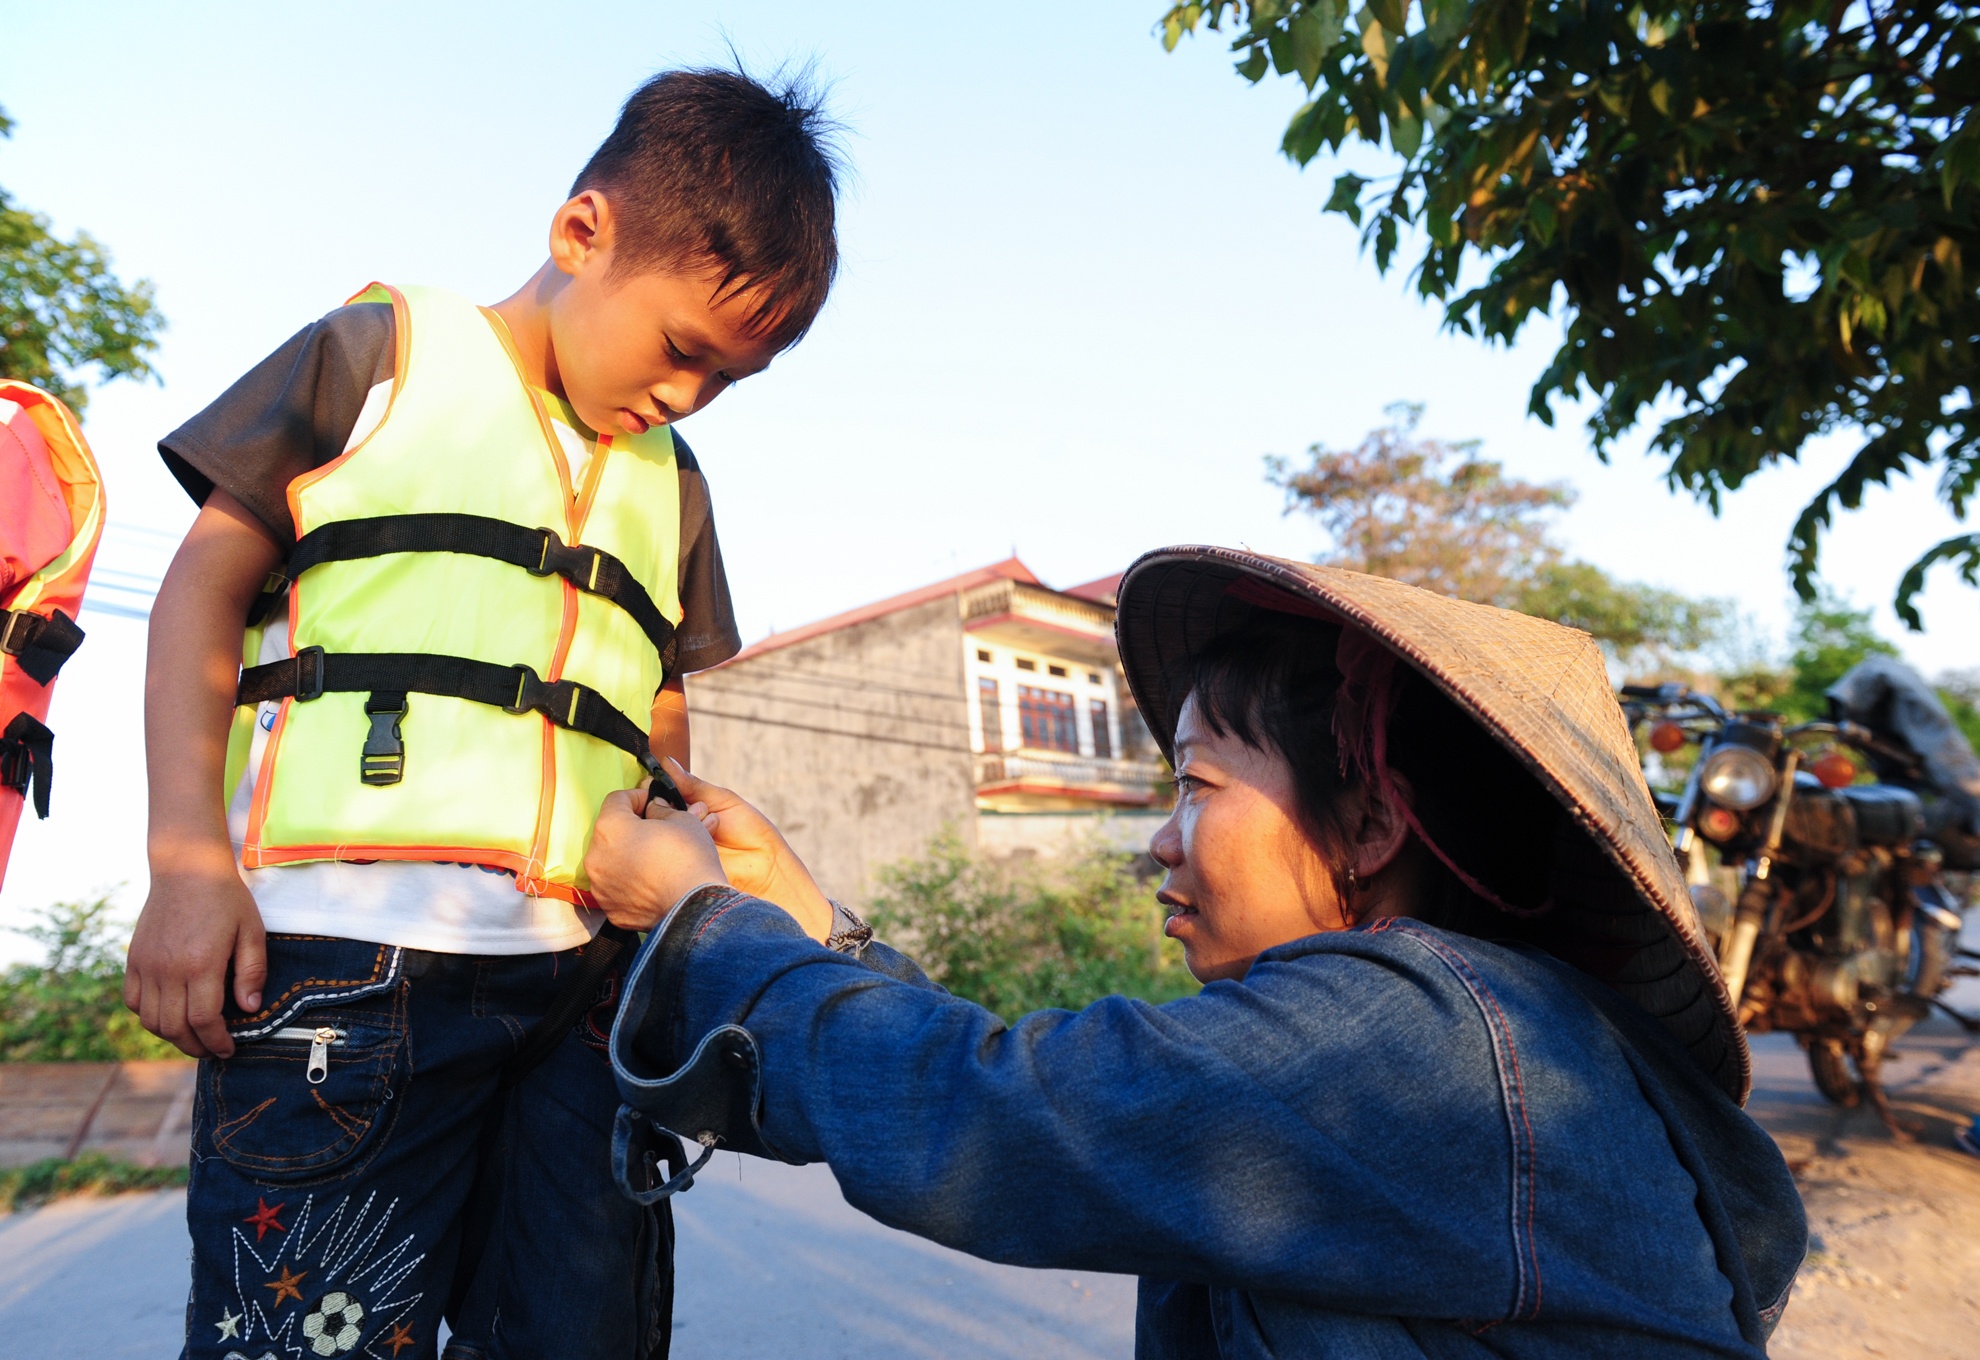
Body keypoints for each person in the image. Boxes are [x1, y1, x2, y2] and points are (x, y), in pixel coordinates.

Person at [586, 546, 1808, 1358]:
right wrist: (812, 925)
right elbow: (1084, 1095)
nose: (1162, 843)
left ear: (1377, 818)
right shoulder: (1474, 1028)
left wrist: (707, 927)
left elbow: (1002, 1114)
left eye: (1198, 784)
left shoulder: (1419, 1046)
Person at [125, 69, 840, 1360]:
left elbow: (654, 709)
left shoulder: (672, 488)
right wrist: (185, 861)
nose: (689, 398)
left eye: (731, 379)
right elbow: (201, 591)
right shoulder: (373, 359)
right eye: (684, 349)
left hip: (581, 998)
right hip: (336, 975)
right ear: (583, 233)